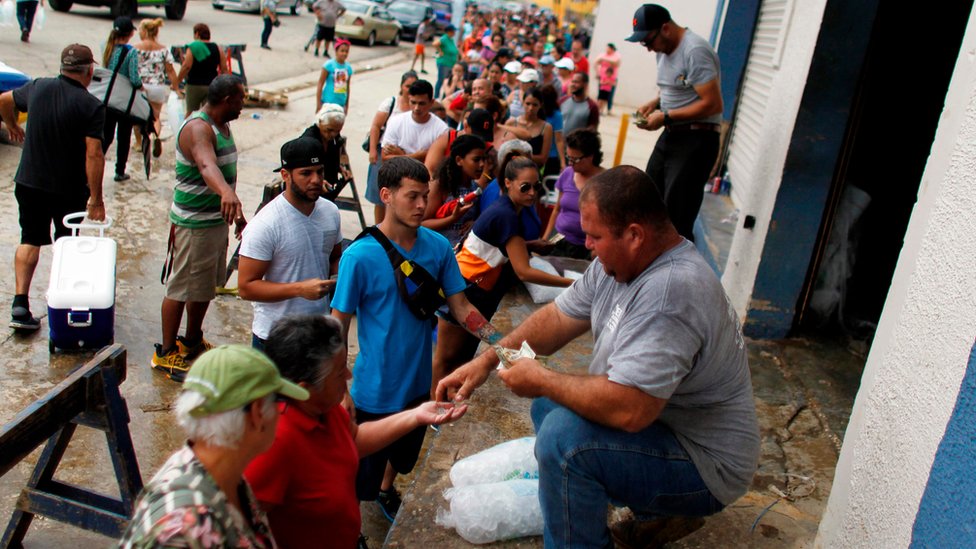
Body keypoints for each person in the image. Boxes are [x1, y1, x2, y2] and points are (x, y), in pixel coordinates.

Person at [437, 165, 760, 549]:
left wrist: (542, 379)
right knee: (548, 409)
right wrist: (488, 360)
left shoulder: (670, 293)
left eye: (595, 236)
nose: (586, 244)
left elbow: (630, 410)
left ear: (634, 235)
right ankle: (649, 511)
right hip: (666, 427)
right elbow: (557, 319)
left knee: (564, 443)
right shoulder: (619, 264)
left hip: (705, 465)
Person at [330, 157, 505, 522]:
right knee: (355, 473)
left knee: (403, 457)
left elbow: (460, 307)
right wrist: (339, 389)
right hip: (373, 391)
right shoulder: (358, 257)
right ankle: (351, 527)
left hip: (418, 385)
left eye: (425, 195)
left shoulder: (438, 247)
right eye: (412, 196)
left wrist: (502, 344)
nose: (422, 205)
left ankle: (386, 489)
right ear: (386, 195)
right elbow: (337, 327)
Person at [244, 315, 468, 549]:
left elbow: (353, 439)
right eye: (339, 372)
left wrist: (415, 415)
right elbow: (242, 523)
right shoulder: (274, 443)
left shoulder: (324, 408)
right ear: (304, 390)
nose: (349, 375)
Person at [118, 345, 309, 548]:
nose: (281, 412)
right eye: (278, 401)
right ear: (257, 413)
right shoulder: (186, 528)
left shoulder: (224, 475)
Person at [434, 157, 573, 382]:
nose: (532, 193)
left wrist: (529, 245)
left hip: (472, 290)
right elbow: (524, 271)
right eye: (525, 187)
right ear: (508, 183)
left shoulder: (507, 209)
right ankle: (436, 400)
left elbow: (497, 244)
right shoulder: (507, 215)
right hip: (461, 291)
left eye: (536, 186)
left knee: (462, 359)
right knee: (446, 359)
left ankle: (448, 397)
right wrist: (572, 284)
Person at [0, 44, 106, 331]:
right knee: (66, 244)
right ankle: (62, 303)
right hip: (68, 190)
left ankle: (20, 305)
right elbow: (94, 154)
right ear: (89, 71)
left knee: (29, 239)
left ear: (63, 67)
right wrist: (96, 199)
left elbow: (4, 100)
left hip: (29, 182)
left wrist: (12, 125)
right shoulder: (91, 106)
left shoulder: (37, 87)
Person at [152, 75, 247, 380]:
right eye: (241, 99)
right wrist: (226, 192)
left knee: (203, 286)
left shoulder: (222, 125)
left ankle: (192, 340)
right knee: (181, 287)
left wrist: (236, 210)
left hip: (214, 221)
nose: (244, 104)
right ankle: (166, 352)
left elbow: (224, 172)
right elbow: (207, 165)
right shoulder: (198, 128)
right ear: (227, 100)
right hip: (193, 225)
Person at [628, 4, 722, 241]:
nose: (648, 49)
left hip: (696, 138)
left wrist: (666, 116)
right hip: (672, 134)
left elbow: (712, 104)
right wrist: (655, 104)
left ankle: (677, 262)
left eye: (648, 41)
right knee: (648, 199)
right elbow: (677, 89)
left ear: (666, 29)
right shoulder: (663, 49)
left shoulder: (695, 50)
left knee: (676, 215)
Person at [238, 138, 342, 350]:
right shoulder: (265, 224)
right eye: (306, 173)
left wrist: (340, 278)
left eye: (319, 172)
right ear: (285, 175)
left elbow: (334, 256)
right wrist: (299, 289)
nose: (316, 180)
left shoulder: (330, 212)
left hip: (319, 332)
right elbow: (246, 287)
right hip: (276, 338)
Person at [365, 70, 417, 224]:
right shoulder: (391, 103)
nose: (410, 89)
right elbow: (376, 126)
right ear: (401, 86)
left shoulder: (416, 108)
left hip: (404, 155)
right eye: (407, 86)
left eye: (413, 86)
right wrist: (373, 151)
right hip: (384, 153)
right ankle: (378, 227)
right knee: (379, 196)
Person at [543, 129, 603, 259]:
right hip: (558, 239)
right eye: (568, 157)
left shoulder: (605, 181)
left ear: (590, 156)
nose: (570, 163)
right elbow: (557, 209)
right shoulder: (567, 173)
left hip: (585, 248)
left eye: (575, 159)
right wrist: (545, 238)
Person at [422, 134, 489, 248]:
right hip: (440, 251)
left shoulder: (476, 188)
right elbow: (422, 224)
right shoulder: (441, 186)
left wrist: (475, 223)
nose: (482, 164)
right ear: (459, 160)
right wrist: (452, 218)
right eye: (476, 159)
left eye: (484, 159)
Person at [101, 16, 143, 183]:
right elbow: (134, 78)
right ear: (130, 34)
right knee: (124, 137)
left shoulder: (106, 46)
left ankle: (94, 164)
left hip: (108, 98)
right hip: (125, 101)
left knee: (106, 136)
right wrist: (141, 86)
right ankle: (120, 171)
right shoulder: (131, 52)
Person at [134, 18, 180, 159]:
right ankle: (155, 137)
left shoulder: (135, 48)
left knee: (137, 116)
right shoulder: (163, 49)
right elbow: (170, 70)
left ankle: (139, 143)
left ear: (144, 31)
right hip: (158, 87)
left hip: (141, 86)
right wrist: (176, 87)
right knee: (155, 117)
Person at [380, 79, 447, 163]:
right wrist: (418, 156)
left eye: (422, 103)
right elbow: (385, 158)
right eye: (413, 102)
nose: (417, 108)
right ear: (409, 99)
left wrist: (401, 154)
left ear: (432, 102)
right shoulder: (395, 122)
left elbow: (439, 162)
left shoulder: (442, 129)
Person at [301, 103, 354, 200]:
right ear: (320, 122)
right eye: (329, 130)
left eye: (337, 131)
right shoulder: (308, 141)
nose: (333, 134)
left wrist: (339, 168)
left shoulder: (334, 138)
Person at [177, 23, 227, 114]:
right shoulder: (217, 48)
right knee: (208, 114)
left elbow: (186, 66)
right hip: (211, 85)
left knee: (191, 113)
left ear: (197, 34)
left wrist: (177, 81)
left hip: (194, 85)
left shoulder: (193, 47)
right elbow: (224, 69)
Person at [498, 87, 552, 169]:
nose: (531, 108)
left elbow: (543, 158)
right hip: (511, 170)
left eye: (535, 105)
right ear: (523, 103)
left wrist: (520, 156)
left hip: (533, 170)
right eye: (528, 104)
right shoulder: (511, 123)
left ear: (541, 105)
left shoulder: (546, 127)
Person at [316, 38, 353, 115]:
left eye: (346, 51)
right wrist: (318, 104)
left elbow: (347, 87)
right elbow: (320, 84)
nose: (344, 53)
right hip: (327, 102)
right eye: (342, 51)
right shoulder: (328, 65)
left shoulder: (348, 68)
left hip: (340, 103)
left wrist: (346, 105)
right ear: (336, 51)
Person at [559, 72, 599, 136]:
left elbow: (593, 130)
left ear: (585, 85)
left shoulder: (592, 107)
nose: (573, 84)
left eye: (576, 82)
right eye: (572, 82)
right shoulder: (562, 101)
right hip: (559, 141)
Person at [433, 24, 459, 99]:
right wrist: (440, 51)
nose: (454, 33)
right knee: (441, 80)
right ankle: (436, 97)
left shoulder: (451, 39)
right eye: (453, 31)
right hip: (444, 63)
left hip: (450, 64)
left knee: (447, 81)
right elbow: (435, 44)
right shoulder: (444, 38)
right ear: (449, 31)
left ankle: (444, 97)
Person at [595, 42, 621, 114]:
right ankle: (598, 109)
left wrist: (605, 59)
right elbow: (597, 61)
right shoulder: (603, 54)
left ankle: (608, 109)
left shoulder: (616, 55)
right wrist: (597, 73)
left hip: (612, 78)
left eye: (608, 48)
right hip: (603, 77)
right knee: (600, 94)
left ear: (612, 49)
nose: (606, 49)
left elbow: (616, 62)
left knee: (609, 95)